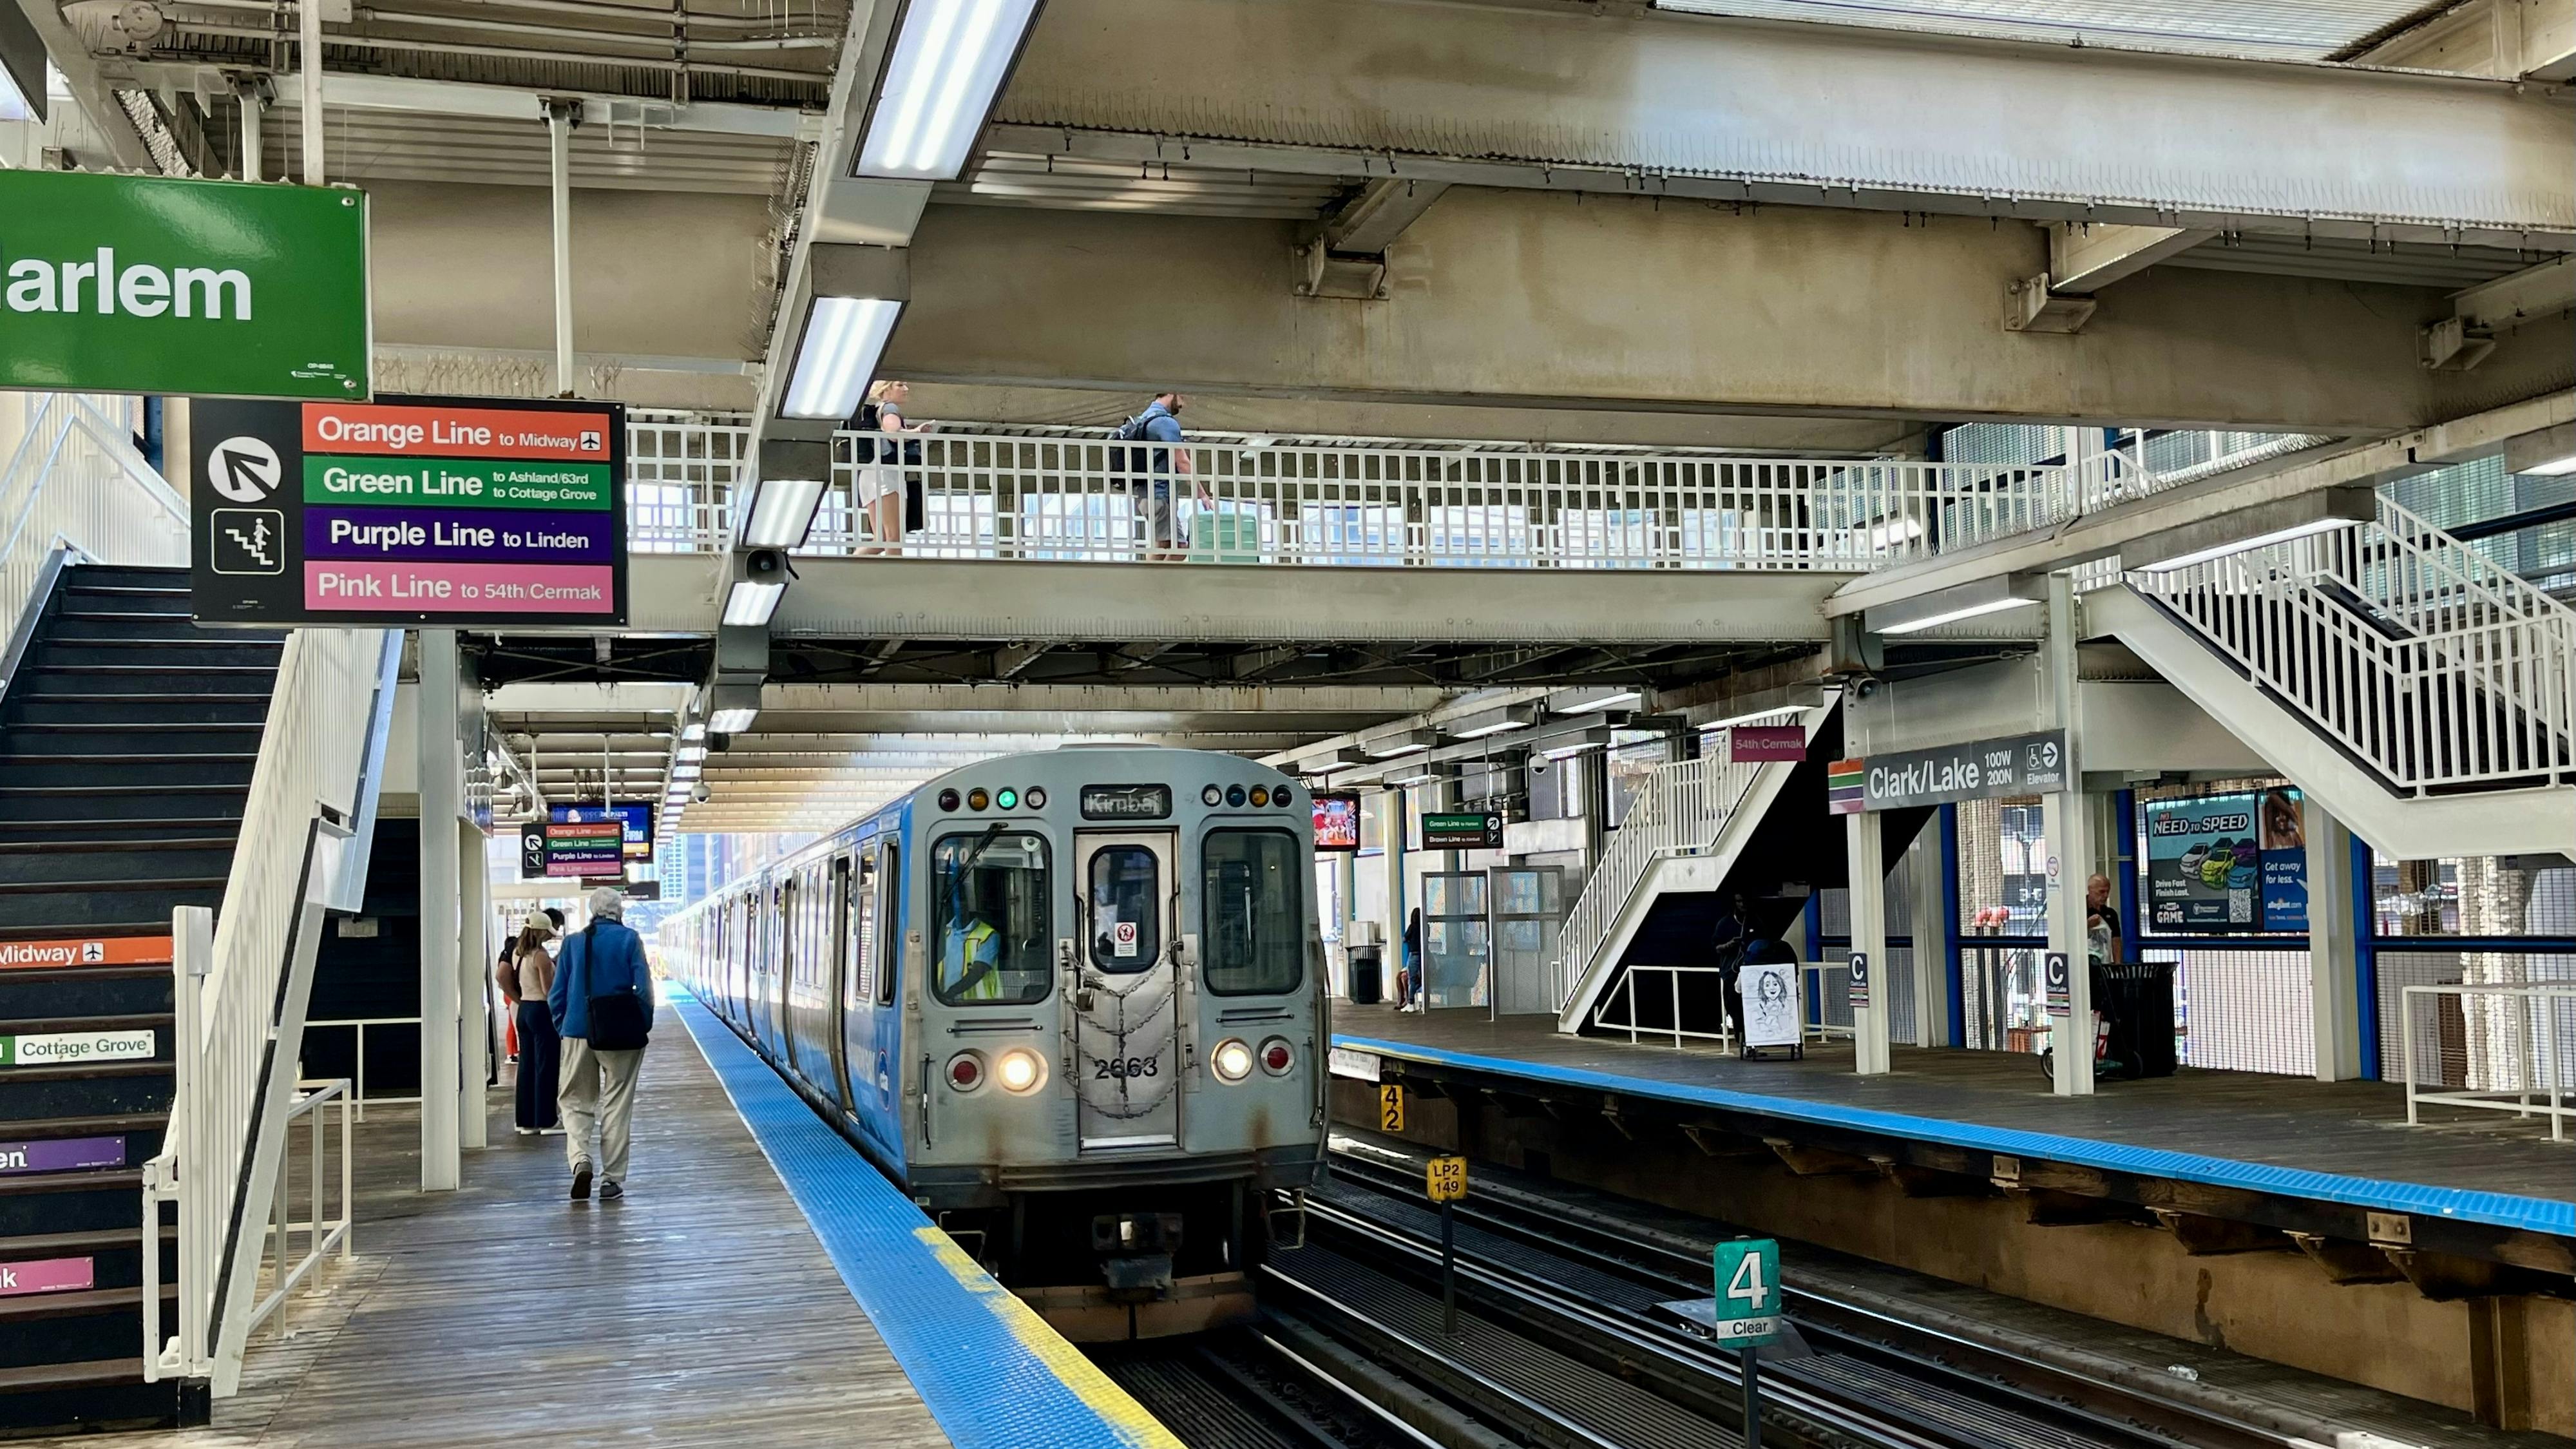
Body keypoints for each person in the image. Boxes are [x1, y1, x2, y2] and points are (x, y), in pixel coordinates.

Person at [550, 886, 654, 1202]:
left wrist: (566, 1028)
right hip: (622, 1034)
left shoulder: (572, 943)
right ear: (619, 912)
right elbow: (645, 990)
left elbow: (557, 995)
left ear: (593, 911)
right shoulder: (630, 939)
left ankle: (581, 1159)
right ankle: (611, 1180)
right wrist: (641, 1024)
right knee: (617, 1105)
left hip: (577, 1032)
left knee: (575, 1102)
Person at [1114, 392, 1195, 561]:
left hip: (1145, 494)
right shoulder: (1165, 422)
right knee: (1172, 546)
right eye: (1182, 397)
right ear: (1172, 393)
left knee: (1169, 545)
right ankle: (1151, 584)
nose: (1183, 404)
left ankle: (1155, 583)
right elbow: (1182, 461)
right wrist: (1201, 494)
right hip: (1159, 493)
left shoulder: (1144, 419)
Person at [506, 911, 561, 1136]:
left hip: (525, 1010)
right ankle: (547, 1120)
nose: (549, 937)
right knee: (546, 1066)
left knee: (527, 1066)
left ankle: (526, 1121)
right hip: (541, 1010)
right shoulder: (541, 956)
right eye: (548, 932)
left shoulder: (518, 954)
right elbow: (549, 991)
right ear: (540, 931)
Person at [852, 379, 914, 554]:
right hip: (886, 472)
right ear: (886, 389)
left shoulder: (877, 409)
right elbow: (894, 434)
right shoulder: (890, 408)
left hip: (869, 473)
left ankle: (848, 567)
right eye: (900, 385)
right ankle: (895, 577)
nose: (906, 389)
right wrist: (918, 433)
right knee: (894, 537)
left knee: (881, 540)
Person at [2086, 873, 2123, 964]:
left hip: (2105, 962)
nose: (2106, 896)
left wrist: (2118, 966)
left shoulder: (2111, 914)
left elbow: (2116, 941)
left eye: (2108, 892)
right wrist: (2087, 925)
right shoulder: (2079, 911)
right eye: (2101, 892)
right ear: (2090, 890)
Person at [1399, 907, 1424, 1012]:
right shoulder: (1424, 927)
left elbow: (1405, 938)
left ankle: (1411, 1003)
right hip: (1424, 955)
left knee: (1412, 979)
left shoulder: (1412, 927)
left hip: (1414, 955)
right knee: (1423, 978)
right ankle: (1421, 1002)